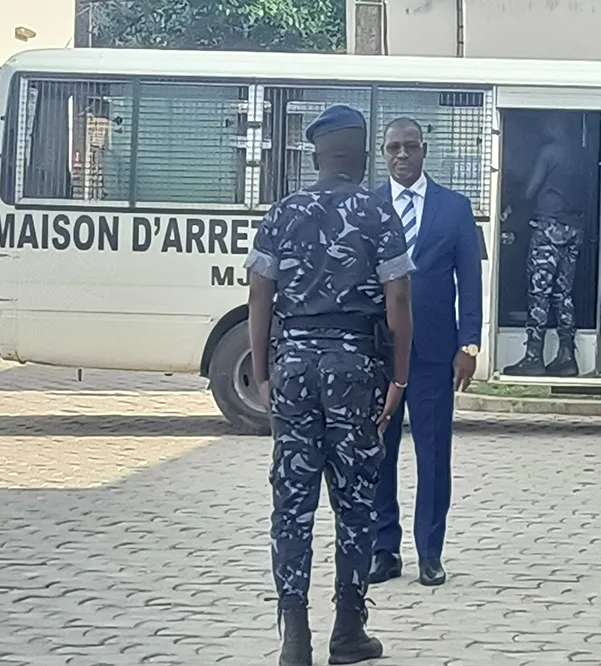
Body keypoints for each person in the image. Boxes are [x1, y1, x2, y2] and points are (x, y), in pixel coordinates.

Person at [246, 104, 414, 666]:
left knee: (292, 503)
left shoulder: (283, 212)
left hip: (293, 367)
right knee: (355, 501)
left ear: (316, 155)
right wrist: (399, 376)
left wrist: (263, 372)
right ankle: (348, 630)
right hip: (355, 372)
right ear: (365, 156)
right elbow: (398, 300)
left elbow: (260, 295)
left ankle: (294, 637)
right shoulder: (378, 211)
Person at [369, 117, 483, 588]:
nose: (401, 155)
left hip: (436, 354)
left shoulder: (455, 208)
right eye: (393, 148)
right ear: (382, 152)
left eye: (410, 147)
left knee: (434, 455)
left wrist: (469, 344)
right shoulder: (369, 205)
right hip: (379, 354)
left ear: (423, 151)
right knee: (378, 452)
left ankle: (429, 553)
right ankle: (383, 549)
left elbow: (471, 283)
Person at [504, 115, 589, 377]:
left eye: (547, 123)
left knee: (539, 293)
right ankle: (566, 356)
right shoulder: (582, 155)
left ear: (559, 124)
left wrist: (509, 199)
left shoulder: (549, 152)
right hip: (575, 229)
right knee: (563, 294)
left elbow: (530, 190)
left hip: (549, 227)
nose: (542, 127)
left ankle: (533, 357)